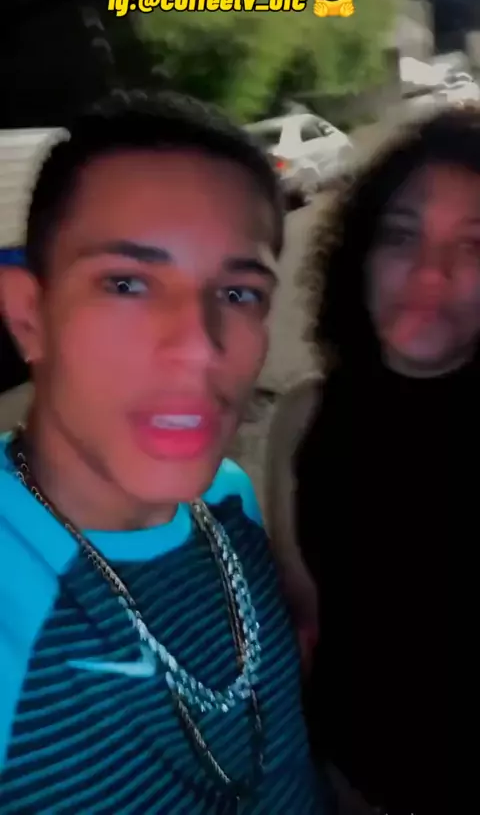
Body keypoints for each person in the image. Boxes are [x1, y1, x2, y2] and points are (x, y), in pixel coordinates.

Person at [0, 92, 325, 814]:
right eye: (127, 283)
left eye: (238, 293)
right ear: (27, 315)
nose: (200, 347)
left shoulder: (229, 499)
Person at [266, 106, 480, 815]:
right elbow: (309, 618)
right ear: (359, 252)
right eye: (401, 234)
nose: (429, 272)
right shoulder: (303, 419)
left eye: (474, 244)